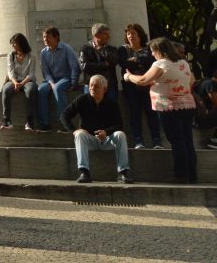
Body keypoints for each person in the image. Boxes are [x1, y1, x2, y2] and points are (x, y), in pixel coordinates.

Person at [124, 37, 197, 184]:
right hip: (187, 105)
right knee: (187, 140)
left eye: (152, 51)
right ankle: (192, 175)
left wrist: (128, 76)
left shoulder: (160, 64)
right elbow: (191, 81)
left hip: (169, 106)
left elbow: (142, 80)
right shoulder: (183, 63)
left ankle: (181, 174)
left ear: (159, 51)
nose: (152, 54)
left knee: (176, 141)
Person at [61, 74, 132, 184]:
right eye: (91, 85)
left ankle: (123, 173)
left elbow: (119, 125)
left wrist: (106, 132)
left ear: (104, 89)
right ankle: (85, 172)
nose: (92, 88)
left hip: (107, 139)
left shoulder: (112, 103)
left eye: (96, 86)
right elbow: (64, 115)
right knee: (79, 135)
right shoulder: (82, 100)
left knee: (120, 135)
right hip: (90, 140)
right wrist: (74, 130)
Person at [118, 24, 162, 149]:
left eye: (134, 33)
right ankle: (138, 141)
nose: (131, 36)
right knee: (135, 112)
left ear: (140, 35)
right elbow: (124, 64)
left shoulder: (148, 48)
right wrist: (140, 62)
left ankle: (157, 141)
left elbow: (151, 62)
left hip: (148, 85)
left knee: (151, 112)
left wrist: (136, 61)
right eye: (128, 34)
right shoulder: (123, 49)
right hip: (130, 86)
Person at [37, 27, 80, 131]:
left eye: (48, 37)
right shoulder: (43, 52)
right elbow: (45, 72)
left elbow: (74, 66)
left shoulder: (66, 48)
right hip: (51, 80)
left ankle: (64, 121)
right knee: (41, 90)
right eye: (44, 37)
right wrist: (51, 82)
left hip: (66, 78)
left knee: (57, 88)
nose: (45, 40)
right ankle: (45, 123)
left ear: (56, 37)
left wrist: (74, 83)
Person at [0, 33, 37, 131]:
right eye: (12, 44)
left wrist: (22, 83)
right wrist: (16, 83)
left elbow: (31, 74)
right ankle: (6, 120)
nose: (13, 46)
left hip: (27, 80)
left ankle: (30, 121)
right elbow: (10, 71)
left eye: (14, 44)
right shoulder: (10, 56)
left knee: (30, 90)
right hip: (14, 80)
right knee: (6, 89)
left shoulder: (31, 57)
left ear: (21, 43)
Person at [79, 24, 120, 102]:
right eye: (105, 34)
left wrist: (101, 50)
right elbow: (85, 66)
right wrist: (105, 64)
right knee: (92, 110)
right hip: (91, 85)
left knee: (111, 110)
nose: (108, 36)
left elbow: (114, 60)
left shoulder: (112, 49)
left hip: (109, 85)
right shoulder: (85, 48)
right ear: (96, 35)